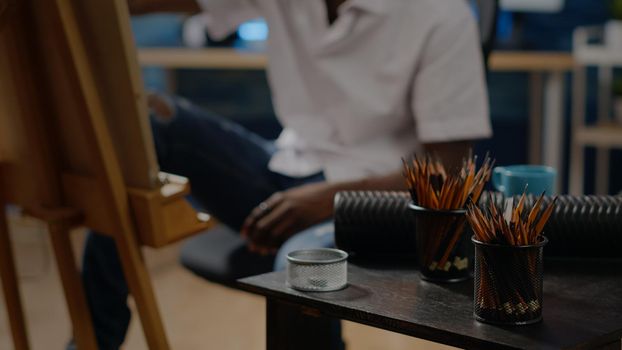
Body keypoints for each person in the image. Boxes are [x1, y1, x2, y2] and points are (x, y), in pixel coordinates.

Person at [79, 0, 492, 349]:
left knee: (300, 264)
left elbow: (448, 173)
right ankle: (92, 340)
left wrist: (324, 200)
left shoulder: (441, 15)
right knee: (149, 123)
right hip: (290, 165)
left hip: (384, 203)